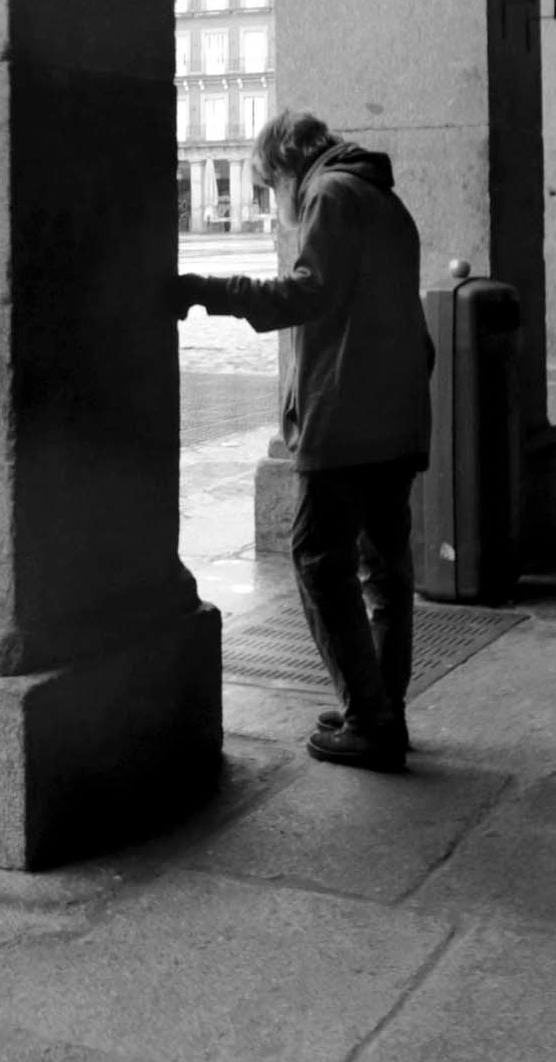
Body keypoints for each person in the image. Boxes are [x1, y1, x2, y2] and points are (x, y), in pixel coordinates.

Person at [177, 111, 430, 770]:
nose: (275, 206)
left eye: (267, 190)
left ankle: (370, 721)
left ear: (282, 171)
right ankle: (378, 705)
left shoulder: (328, 194)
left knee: (319, 559)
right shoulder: (382, 199)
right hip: (396, 416)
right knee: (385, 567)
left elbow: (308, 291)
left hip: (348, 417)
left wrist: (211, 291)